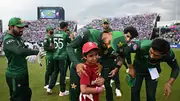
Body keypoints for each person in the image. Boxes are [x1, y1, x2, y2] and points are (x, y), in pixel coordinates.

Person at [67, 27, 138, 101]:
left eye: (112, 46)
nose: (109, 46)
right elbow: (69, 47)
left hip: (92, 72)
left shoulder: (112, 47)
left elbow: (110, 59)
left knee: (90, 97)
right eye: (110, 42)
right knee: (75, 95)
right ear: (109, 33)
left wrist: (103, 77)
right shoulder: (89, 34)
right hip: (78, 70)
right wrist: (77, 64)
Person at [3, 17, 43, 101]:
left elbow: (24, 49)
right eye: (19, 27)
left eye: (22, 27)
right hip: (15, 75)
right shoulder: (8, 39)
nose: (22, 29)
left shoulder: (19, 38)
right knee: (18, 98)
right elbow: (19, 51)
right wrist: (35, 52)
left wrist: (33, 53)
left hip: (23, 73)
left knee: (27, 94)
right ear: (10, 27)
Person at [46, 22, 71, 96]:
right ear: (65, 27)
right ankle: (62, 91)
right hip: (62, 56)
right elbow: (72, 43)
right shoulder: (65, 34)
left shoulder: (54, 34)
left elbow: (51, 45)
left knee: (55, 72)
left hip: (55, 55)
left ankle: (49, 88)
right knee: (62, 73)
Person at [102, 18, 122, 97]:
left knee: (116, 74)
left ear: (108, 24)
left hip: (113, 55)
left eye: (107, 23)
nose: (106, 25)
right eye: (104, 23)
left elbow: (116, 45)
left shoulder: (113, 33)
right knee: (105, 73)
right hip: (105, 57)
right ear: (102, 24)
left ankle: (117, 89)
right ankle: (106, 86)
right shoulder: (101, 33)